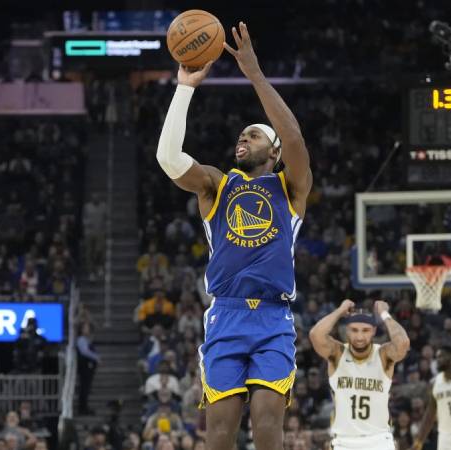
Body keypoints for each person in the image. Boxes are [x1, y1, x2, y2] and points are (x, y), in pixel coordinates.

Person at [156, 21, 312, 450]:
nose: (243, 137)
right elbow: (168, 158)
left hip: (272, 317)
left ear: (274, 152)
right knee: (219, 434)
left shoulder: (290, 188)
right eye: (242, 134)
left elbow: (295, 136)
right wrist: (185, 87)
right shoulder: (216, 184)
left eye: (254, 134)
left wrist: (255, 75)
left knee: (265, 426)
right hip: (224, 315)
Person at [309, 300, 410, 450]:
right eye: (354, 330)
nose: (360, 337)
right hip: (344, 441)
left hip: (379, 440)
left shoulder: (383, 354)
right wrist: (340, 310)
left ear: (374, 331)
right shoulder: (337, 353)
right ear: (347, 330)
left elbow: (402, 343)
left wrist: (384, 314)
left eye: (365, 330)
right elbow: (315, 335)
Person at [76, 323, 101, 415]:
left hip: (88, 367)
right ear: (81, 329)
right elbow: (85, 351)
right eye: (85, 328)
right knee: (84, 387)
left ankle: (84, 407)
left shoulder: (86, 339)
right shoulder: (81, 339)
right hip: (85, 367)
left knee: (86, 387)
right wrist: (96, 357)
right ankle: (82, 408)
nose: (88, 330)